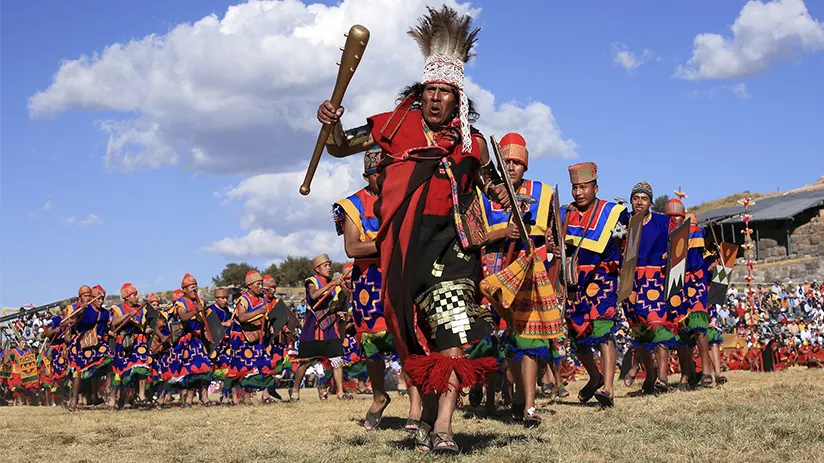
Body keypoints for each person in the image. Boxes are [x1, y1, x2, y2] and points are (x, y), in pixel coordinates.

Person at [316, 6, 509, 453]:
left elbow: (493, 187)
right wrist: (331, 121)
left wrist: (502, 197)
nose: (437, 98)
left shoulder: (472, 144)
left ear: (458, 98)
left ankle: (444, 425)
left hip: (453, 247)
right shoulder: (393, 127)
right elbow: (342, 147)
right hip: (403, 251)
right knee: (412, 335)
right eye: (430, 90)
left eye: (445, 91)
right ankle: (417, 417)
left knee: (454, 331)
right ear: (419, 92)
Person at [476, 132, 564, 426]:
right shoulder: (483, 194)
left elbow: (550, 237)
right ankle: (504, 394)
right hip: (494, 276)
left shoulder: (541, 194)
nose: (512, 167)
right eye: (508, 162)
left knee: (529, 339)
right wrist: (502, 233)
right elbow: (472, 236)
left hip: (528, 277)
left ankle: (528, 406)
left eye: (517, 162)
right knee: (499, 340)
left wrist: (551, 249)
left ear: (525, 166)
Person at [333, 147, 417, 430]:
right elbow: (352, 247)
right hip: (368, 280)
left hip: (401, 274)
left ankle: (416, 405)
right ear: (366, 175)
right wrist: (387, 243)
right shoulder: (352, 204)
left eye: (386, 172)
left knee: (408, 338)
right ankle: (380, 395)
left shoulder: (404, 197)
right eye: (375, 174)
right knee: (372, 342)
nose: (381, 179)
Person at [558, 162, 629, 408]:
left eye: (583, 187)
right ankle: (595, 376)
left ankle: (608, 388)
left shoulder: (614, 213)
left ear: (595, 188)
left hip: (603, 278)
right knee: (578, 334)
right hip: (574, 281)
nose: (578, 192)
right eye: (575, 187)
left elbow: (626, 244)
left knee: (603, 331)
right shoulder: (564, 213)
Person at [621, 182, 676, 395]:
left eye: (644, 199)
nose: (639, 202)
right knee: (640, 332)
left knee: (659, 326)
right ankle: (650, 376)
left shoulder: (663, 222)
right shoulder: (624, 220)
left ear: (651, 202)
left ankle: (662, 377)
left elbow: (679, 243)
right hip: (631, 281)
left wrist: (669, 254)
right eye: (636, 198)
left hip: (655, 279)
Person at [666, 202, 713, 389]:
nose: (673, 219)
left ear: (683, 216)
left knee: (698, 323)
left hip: (694, 282)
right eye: (669, 215)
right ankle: (686, 374)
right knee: (679, 330)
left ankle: (707, 370)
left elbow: (694, 260)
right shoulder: (665, 234)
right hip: (675, 284)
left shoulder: (692, 231)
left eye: (676, 216)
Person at [290, 255, 349, 402]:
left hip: (330, 328)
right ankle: (295, 391)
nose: (329, 267)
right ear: (317, 269)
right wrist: (332, 284)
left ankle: (341, 392)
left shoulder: (336, 286)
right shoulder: (311, 281)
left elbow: (338, 305)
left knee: (337, 360)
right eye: (325, 265)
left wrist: (340, 312)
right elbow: (315, 295)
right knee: (305, 362)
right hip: (313, 328)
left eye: (329, 264)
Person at [228, 270, 274, 405]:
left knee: (259, 365)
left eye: (261, 284)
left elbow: (264, 318)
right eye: (258, 284)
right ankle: (242, 398)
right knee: (244, 367)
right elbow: (242, 317)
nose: (261, 287)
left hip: (257, 338)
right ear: (249, 286)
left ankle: (259, 395)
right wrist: (259, 312)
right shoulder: (243, 300)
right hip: (242, 339)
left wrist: (269, 326)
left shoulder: (262, 299)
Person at [65, 285, 112, 411]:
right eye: (98, 299)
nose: (101, 301)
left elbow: (105, 328)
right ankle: (74, 399)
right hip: (82, 344)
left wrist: (110, 332)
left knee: (108, 361)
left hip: (99, 344)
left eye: (102, 299)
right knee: (79, 372)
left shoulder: (105, 313)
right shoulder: (83, 310)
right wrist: (80, 312)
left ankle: (105, 391)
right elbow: (70, 323)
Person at [173, 274, 213, 407]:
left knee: (205, 367)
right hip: (186, 341)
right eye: (192, 288)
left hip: (199, 340)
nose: (195, 291)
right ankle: (188, 398)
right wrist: (196, 310)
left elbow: (206, 321)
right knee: (190, 370)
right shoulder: (180, 303)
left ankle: (204, 397)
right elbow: (183, 317)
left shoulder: (200, 303)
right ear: (184, 289)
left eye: (196, 288)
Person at [109, 283, 151, 408]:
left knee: (142, 365)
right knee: (119, 370)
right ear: (126, 297)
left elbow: (144, 324)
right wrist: (128, 315)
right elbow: (114, 322)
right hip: (123, 342)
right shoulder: (118, 308)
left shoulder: (141, 309)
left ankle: (142, 395)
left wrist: (146, 328)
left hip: (139, 340)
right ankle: (113, 398)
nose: (137, 297)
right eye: (134, 295)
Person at [207, 287, 234, 403]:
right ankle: (202, 396)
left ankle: (225, 394)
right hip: (212, 345)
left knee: (226, 368)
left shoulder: (228, 311)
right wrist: (224, 324)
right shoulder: (210, 310)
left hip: (226, 344)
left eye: (226, 298)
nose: (224, 300)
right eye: (222, 298)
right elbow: (208, 325)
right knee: (208, 369)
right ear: (216, 299)